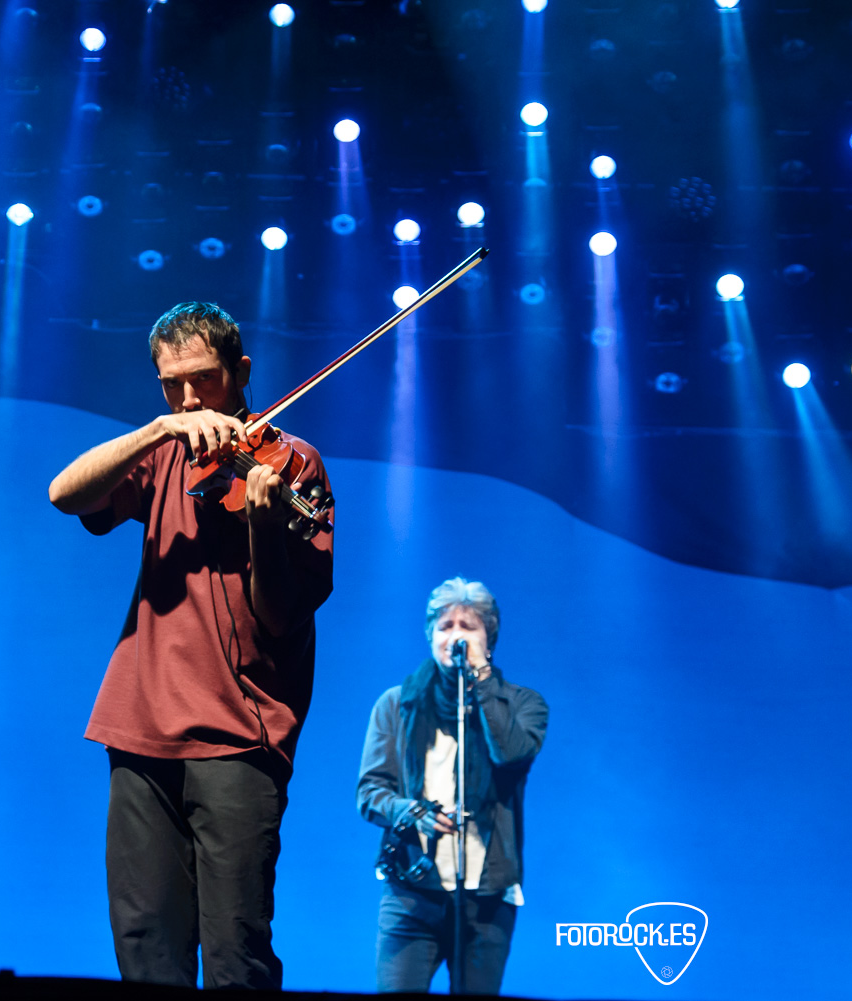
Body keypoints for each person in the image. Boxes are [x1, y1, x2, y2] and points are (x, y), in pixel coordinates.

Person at [47, 302, 334, 989]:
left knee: (236, 953)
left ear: (241, 372)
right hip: (140, 726)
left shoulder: (294, 463)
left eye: (203, 379)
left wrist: (264, 526)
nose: (188, 399)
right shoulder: (165, 450)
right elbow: (64, 494)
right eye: (171, 385)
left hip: (237, 735)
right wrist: (157, 429)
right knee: (145, 949)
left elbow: (279, 618)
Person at [358, 577, 548, 994]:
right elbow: (370, 793)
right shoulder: (396, 704)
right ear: (431, 636)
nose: (456, 636)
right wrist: (412, 813)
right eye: (445, 626)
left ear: (488, 639)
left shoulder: (523, 704)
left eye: (469, 626)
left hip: (487, 900)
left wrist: (482, 681)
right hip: (411, 893)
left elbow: (510, 753)